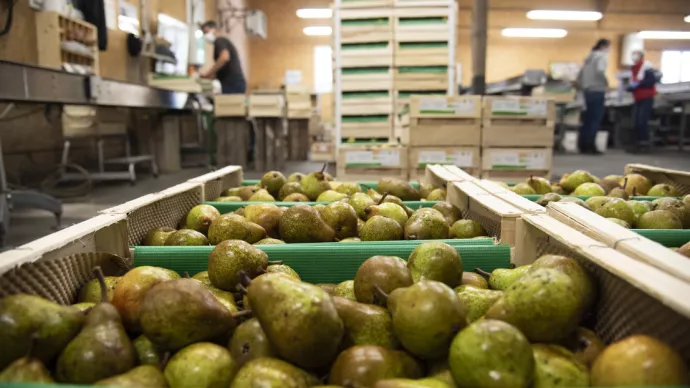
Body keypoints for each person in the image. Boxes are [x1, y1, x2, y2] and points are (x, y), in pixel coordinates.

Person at [576, 39, 611, 155]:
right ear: (603, 46)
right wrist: (606, 84)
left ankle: (582, 144)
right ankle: (591, 145)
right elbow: (601, 71)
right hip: (597, 90)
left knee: (587, 119)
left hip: (587, 91)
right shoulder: (601, 56)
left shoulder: (588, 58)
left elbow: (579, 76)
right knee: (595, 119)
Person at [199, 21, 246, 94]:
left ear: (213, 29)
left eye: (206, 32)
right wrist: (211, 76)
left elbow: (224, 57)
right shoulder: (224, 41)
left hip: (231, 83)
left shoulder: (220, 41)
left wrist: (209, 73)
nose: (205, 35)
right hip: (234, 82)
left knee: (226, 104)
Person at [627, 50, 660, 153]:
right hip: (638, 98)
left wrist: (639, 84)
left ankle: (643, 144)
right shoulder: (634, 69)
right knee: (636, 121)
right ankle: (637, 144)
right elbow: (633, 81)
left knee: (642, 121)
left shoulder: (646, 67)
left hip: (646, 98)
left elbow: (651, 81)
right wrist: (630, 87)